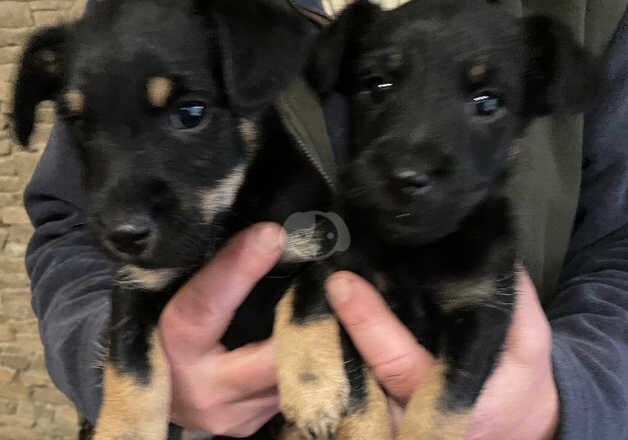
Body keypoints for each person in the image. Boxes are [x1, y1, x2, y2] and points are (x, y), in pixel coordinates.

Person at [24, 0, 628, 438]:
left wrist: (567, 396)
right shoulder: (133, 25)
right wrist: (113, 366)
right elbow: (67, 229)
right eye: (379, 86)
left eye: (188, 113)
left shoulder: (593, 18)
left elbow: (619, 248)